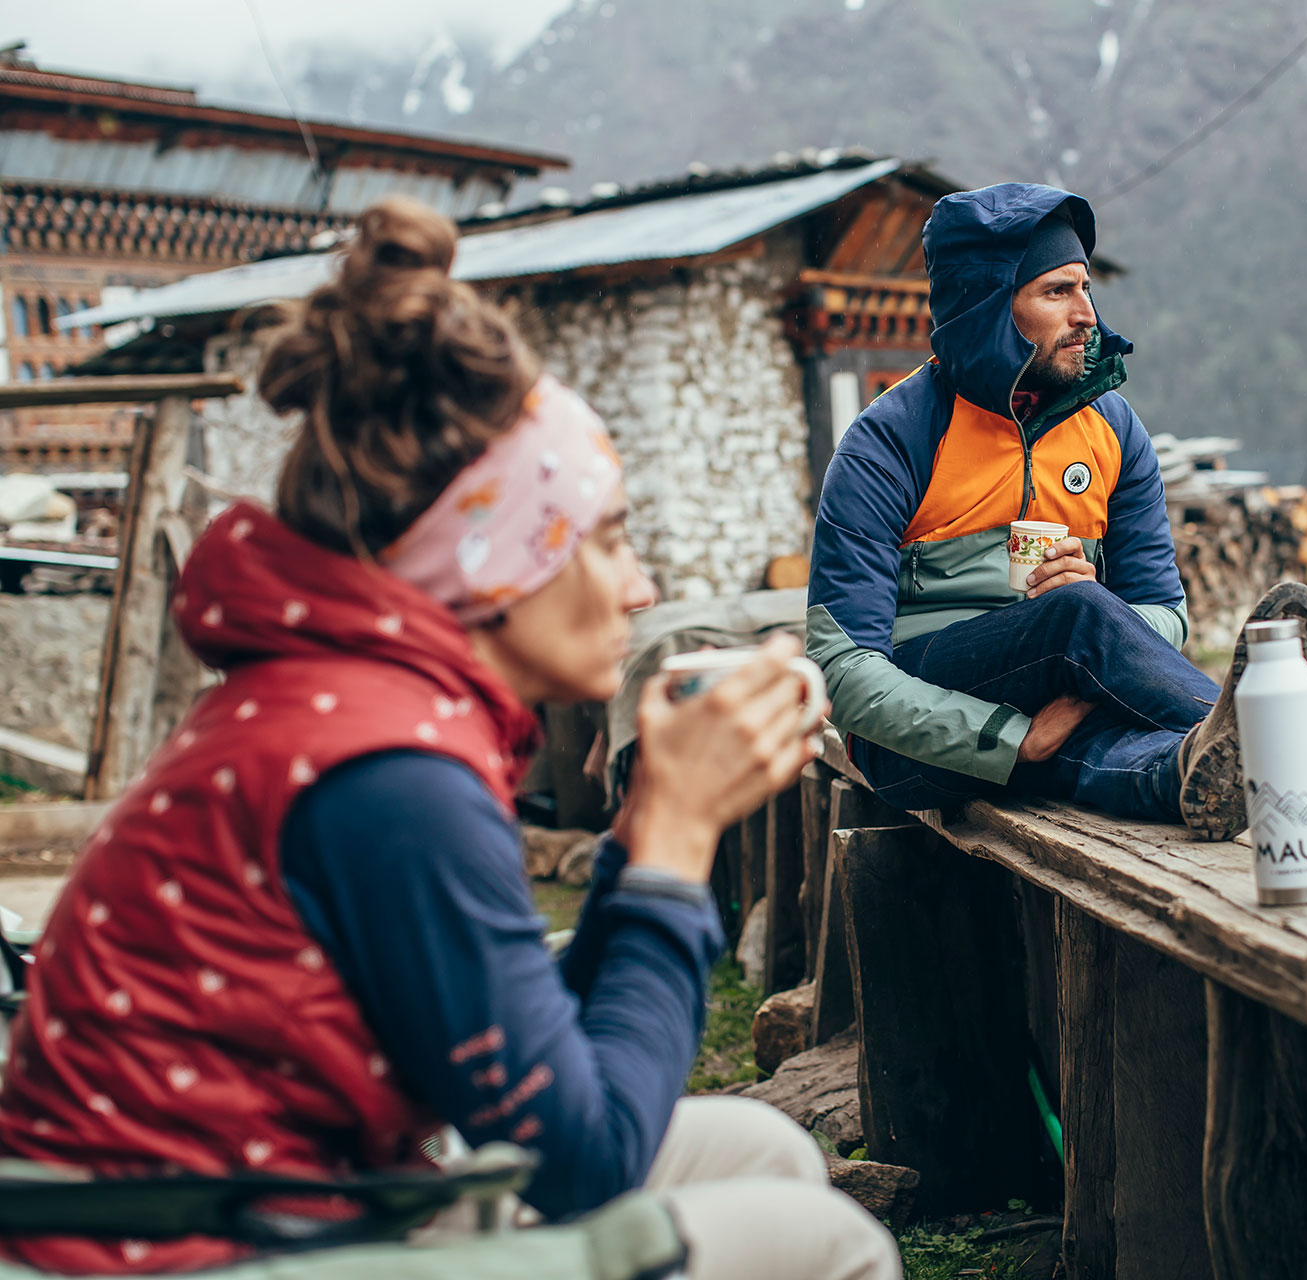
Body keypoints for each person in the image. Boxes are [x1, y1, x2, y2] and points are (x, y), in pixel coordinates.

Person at [0, 197, 900, 1280]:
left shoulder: (344, 707)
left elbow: (524, 1065)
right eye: (606, 538)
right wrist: (672, 837)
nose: (641, 584)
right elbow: (587, 1160)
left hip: (284, 1189)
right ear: (492, 561)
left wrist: (638, 831)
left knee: (762, 1144)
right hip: (187, 1247)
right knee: (828, 1244)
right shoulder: (390, 774)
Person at [807, 182, 1307, 892]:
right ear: (990, 306)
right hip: (913, 740)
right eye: (1057, 292)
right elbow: (843, 668)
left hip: (1067, 713)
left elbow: (1165, 613)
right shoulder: (888, 442)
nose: (1086, 315)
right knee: (1078, 614)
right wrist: (1011, 733)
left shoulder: (1112, 430)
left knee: (1173, 757)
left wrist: (1098, 641)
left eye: (1085, 288)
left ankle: (1214, 779)